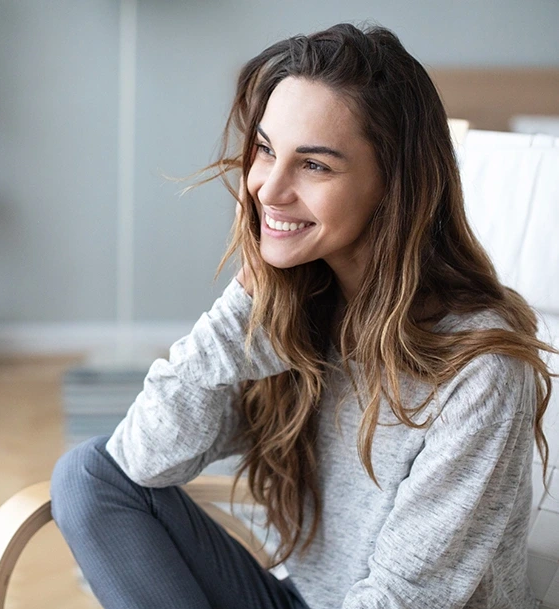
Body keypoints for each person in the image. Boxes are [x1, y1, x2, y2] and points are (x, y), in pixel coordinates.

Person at [49, 22, 555, 609]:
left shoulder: (481, 370)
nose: (268, 189)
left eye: (313, 165)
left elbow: (405, 598)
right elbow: (144, 457)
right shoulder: (301, 305)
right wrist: (244, 304)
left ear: (394, 185)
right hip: (308, 600)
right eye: (265, 149)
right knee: (90, 476)